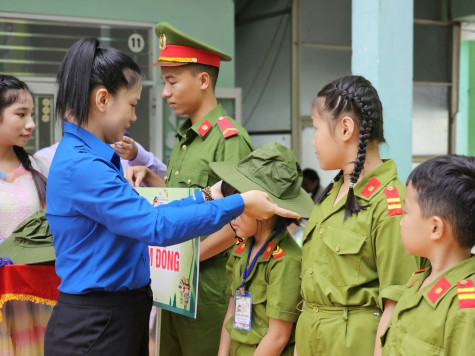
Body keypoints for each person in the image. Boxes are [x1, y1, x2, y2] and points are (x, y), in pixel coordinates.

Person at [43, 38, 297, 356]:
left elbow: (152, 212)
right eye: (132, 104)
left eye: (171, 81)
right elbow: (155, 224)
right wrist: (239, 203)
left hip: (139, 307)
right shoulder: (83, 166)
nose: (134, 117)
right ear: (103, 99)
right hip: (100, 324)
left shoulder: (89, 158)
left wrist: (210, 194)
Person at [126, 22, 254, 356]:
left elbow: (240, 221)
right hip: (174, 283)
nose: (165, 92)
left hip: (207, 286)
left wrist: (185, 259)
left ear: (202, 80)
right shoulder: (186, 138)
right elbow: (185, 198)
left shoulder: (230, 140)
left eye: (171, 81)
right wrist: (151, 179)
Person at [295, 75, 422, 356]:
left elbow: (397, 302)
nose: (313, 141)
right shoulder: (332, 194)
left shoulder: (390, 204)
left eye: (316, 129)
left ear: (345, 128)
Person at [213, 143, 314, 356]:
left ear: (263, 210)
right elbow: (232, 310)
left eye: (240, 208)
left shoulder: (286, 260)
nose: (232, 217)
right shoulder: (242, 247)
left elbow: (277, 336)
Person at [380, 155, 475, 355]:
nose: (400, 222)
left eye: (406, 212)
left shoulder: (466, 307)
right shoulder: (420, 280)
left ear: (435, 228)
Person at [0, 74, 51, 355]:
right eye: (21, 114)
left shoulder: (38, 167)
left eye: (31, 114)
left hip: (35, 299)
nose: (30, 123)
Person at [35, 134, 167, 180]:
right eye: (130, 105)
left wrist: (136, 156)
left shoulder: (127, 149)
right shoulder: (46, 159)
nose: (133, 117)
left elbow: (167, 181)